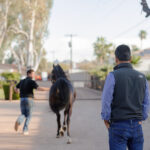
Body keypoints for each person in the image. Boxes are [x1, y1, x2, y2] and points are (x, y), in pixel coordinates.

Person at [101, 45, 150, 150]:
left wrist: (106, 117)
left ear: (116, 59)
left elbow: (106, 100)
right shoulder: (142, 77)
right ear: (131, 58)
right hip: (137, 126)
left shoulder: (112, 76)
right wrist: (142, 117)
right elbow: (146, 101)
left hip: (118, 125)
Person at [14, 69, 49, 135]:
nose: (34, 75)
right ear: (29, 74)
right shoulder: (31, 81)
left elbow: (15, 88)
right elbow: (39, 89)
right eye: (33, 74)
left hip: (22, 99)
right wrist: (49, 89)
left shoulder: (22, 81)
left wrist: (17, 91)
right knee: (29, 115)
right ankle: (25, 130)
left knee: (23, 114)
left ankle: (19, 120)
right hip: (29, 99)